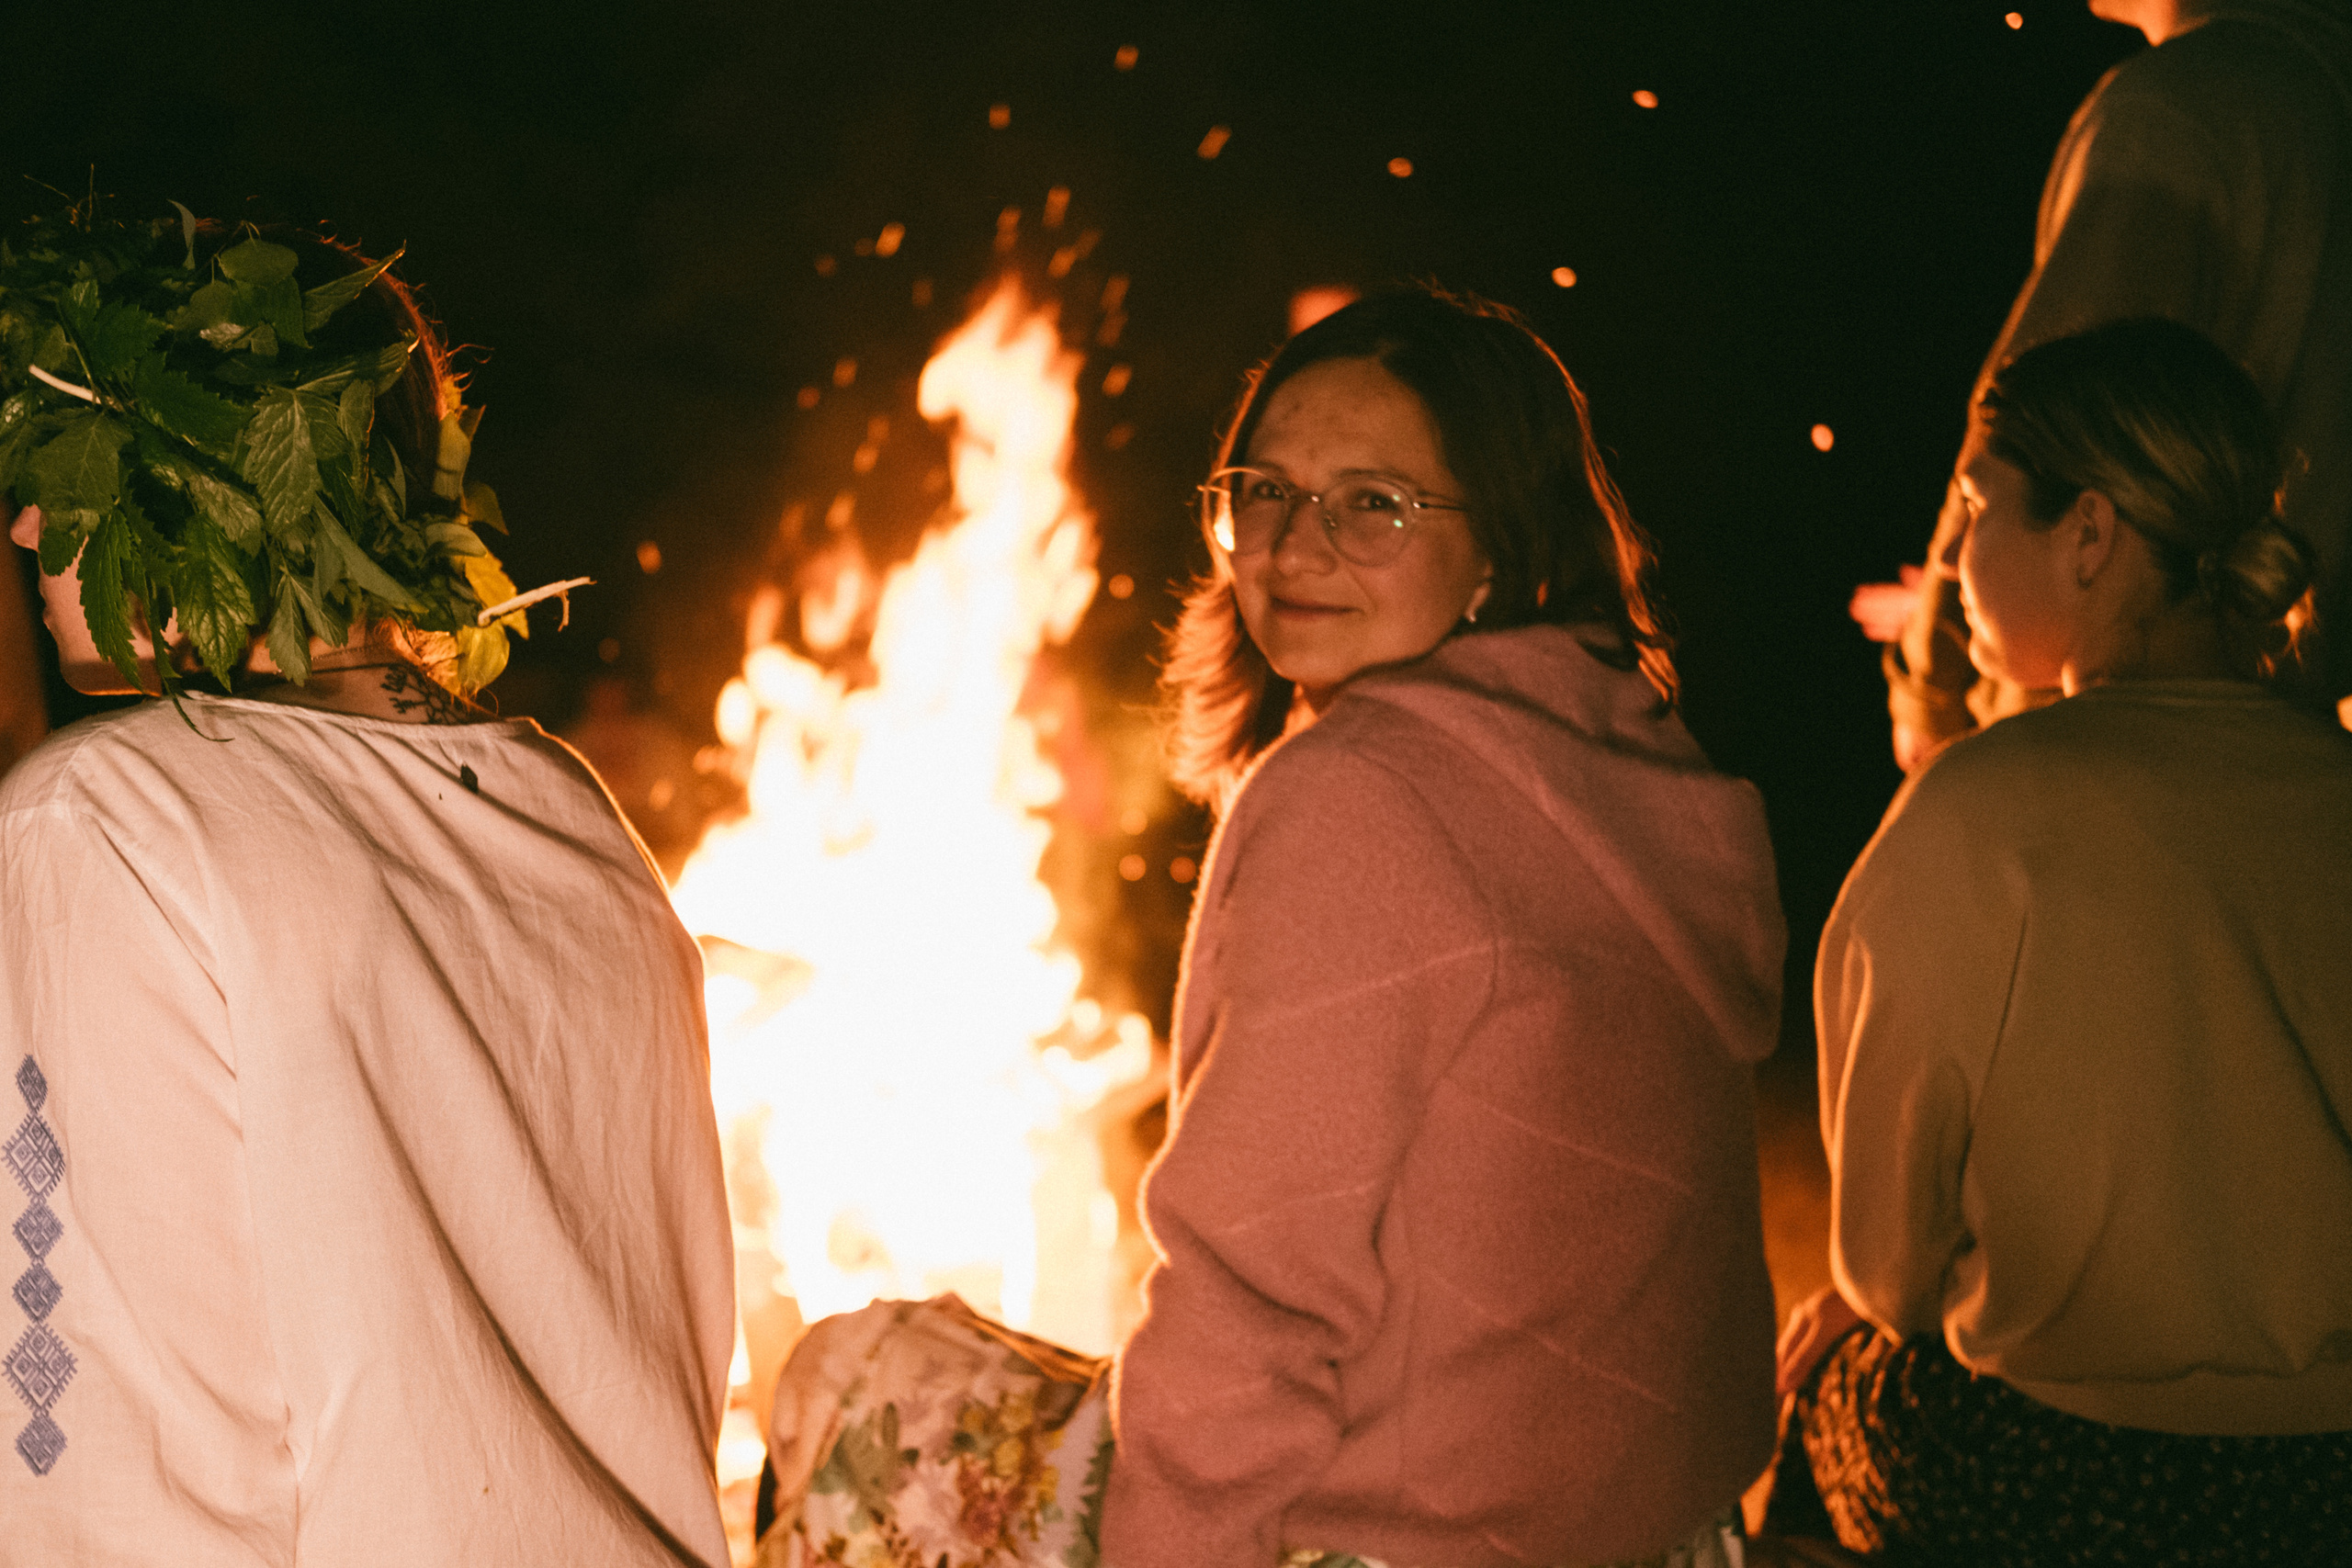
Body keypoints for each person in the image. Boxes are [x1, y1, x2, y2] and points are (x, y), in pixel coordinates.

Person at [0, 217, 734, 1565]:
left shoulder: (104, 816)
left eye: (60, 448)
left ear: (195, 473)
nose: (29, 520)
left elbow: (110, 1472)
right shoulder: (568, 809)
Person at [1104, 288, 1786, 1568]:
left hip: (1413, 1538)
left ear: (1497, 548)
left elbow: (1251, 1288)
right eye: (1262, 489)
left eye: (1375, 503)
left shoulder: (1360, 797)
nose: (1294, 545)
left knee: (864, 1381)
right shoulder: (1627, 761)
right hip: (1660, 1528)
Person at [1775, 318, 2352, 1559]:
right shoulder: (2336, 781)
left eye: (1977, 506)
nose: (1958, 554)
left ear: (2089, 534)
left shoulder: (1981, 804)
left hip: (2061, 1469)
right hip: (2330, 1475)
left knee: (1821, 1376)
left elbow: (1889, 1269)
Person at [1883, 0, 2352, 767]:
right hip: (2278, 730)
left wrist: (1932, 685)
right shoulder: (2323, 90)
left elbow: (2029, 427)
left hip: (2093, 730)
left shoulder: (2181, 109)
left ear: (2091, 532)